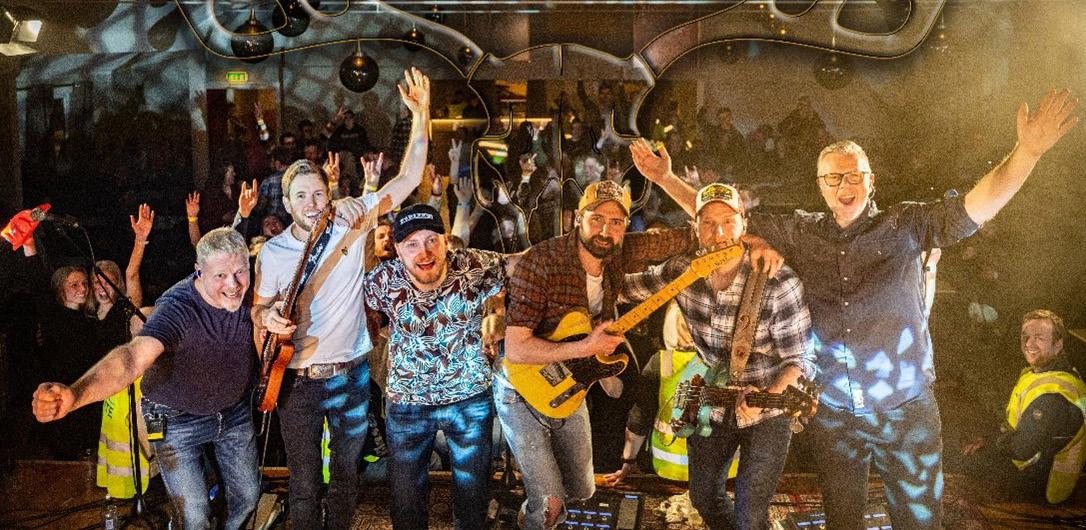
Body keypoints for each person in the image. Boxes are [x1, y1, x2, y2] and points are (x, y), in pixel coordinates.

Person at [637, 89, 1079, 529]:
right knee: (843, 521)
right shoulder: (803, 232)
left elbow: (974, 207)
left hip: (905, 409)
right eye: (832, 178)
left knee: (919, 521)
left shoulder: (906, 225)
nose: (843, 187)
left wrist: (1027, 153)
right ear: (820, 186)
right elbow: (722, 223)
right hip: (834, 413)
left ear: (871, 181)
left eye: (852, 176)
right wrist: (666, 179)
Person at [253, 67, 431, 530]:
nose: (312, 203)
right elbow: (257, 307)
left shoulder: (351, 219)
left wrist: (421, 115)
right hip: (297, 382)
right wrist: (267, 316)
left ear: (329, 193)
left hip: (351, 376)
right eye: (301, 196)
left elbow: (409, 176)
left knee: (347, 479)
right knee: (305, 483)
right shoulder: (273, 252)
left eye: (318, 193)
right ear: (287, 204)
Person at [32, 228, 261, 530]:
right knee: (194, 514)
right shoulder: (177, 308)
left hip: (232, 411)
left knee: (248, 495)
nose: (233, 285)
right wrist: (76, 394)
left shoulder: (253, 291)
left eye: (240, 272)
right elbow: (131, 358)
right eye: (220, 275)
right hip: (176, 419)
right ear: (199, 271)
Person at [498, 179, 695, 529]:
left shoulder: (618, 252)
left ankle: (533, 508)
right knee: (550, 504)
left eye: (616, 221)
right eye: (597, 219)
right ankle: (540, 511)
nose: (606, 230)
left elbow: (689, 234)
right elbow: (516, 348)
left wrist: (738, 235)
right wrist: (588, 347)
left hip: (569, 384)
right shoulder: (542, 261)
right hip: (521, 388)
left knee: (583, 489)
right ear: (578, 218)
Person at [620, 182, 815, 530]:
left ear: (744, 224)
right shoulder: (682, 271)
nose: (719, 233)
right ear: (695, 228)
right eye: (708, 223)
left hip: (766, 409)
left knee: (750, 515)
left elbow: (800, 360)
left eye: (728, 222)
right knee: (704, 497)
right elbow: (629, 288)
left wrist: (769, 397)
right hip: (711, 401)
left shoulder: (779, 282)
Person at [365, 203, 511, 529]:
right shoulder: (383, 279)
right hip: (407, 403)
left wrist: (498, 313)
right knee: (406, 501)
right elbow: (359, 305)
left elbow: (514, 269)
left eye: (432, 240)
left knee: (472, 499)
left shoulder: (473, 264)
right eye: (412, 244)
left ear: (445, 241)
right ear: (398, 250)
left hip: (469, 397)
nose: (425, 252)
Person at [962, 310, 1086, 504]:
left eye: (1039, 338)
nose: (1029, 344)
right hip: (1031, 463)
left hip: (1041, 484)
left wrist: (988, 444)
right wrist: (988, 437)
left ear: (1058, 344)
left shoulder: (1054, 396)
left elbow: (1022, 449)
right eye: (1025, 337)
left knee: (962, 458)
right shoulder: (1043, 373)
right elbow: (1016, 425)